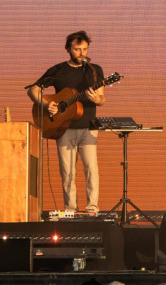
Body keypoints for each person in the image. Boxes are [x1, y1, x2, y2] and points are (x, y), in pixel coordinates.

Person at [27, 31, 106, 215]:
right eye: (77, 49)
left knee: (91, 169)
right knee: (67, 172)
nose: (82, 53)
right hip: (63, 128)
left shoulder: (95, 70)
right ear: (68, 49)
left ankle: (92, 208)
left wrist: (96, 100)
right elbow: (33, 90)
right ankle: (70, 210)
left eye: (85, 49)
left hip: (89, 126)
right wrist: (47, 104)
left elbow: (102, 98)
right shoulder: (58, 70)